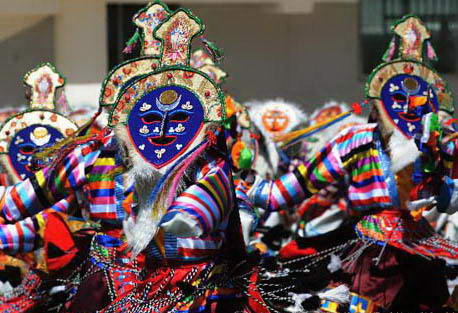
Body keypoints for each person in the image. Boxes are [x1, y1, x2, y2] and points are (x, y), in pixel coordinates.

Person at [248, 15, 458, 312]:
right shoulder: (361, 140)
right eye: (397, 97)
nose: (408, 106)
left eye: (417, 99)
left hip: (409, 248)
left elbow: (449, 198)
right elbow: (296, 186)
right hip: (374, 250)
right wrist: (255, 192)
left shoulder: (435, 142)